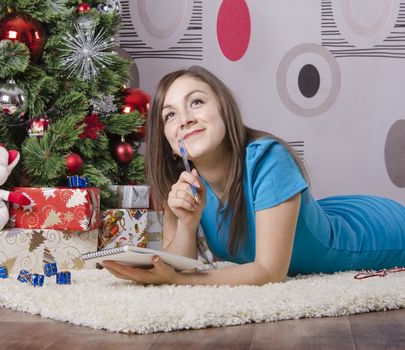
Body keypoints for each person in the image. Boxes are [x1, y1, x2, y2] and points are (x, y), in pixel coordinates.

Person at [102, 65, 405, 286]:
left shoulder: (268, 159)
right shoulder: (182, 184)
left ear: (224, 110)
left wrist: (180, 283)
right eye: (170, 115)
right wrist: (187, 224)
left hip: (377, 231)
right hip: (327, 211)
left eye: (196, 101)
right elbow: (181, 264)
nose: (185, 119)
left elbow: (270, 271)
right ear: (168, 143)